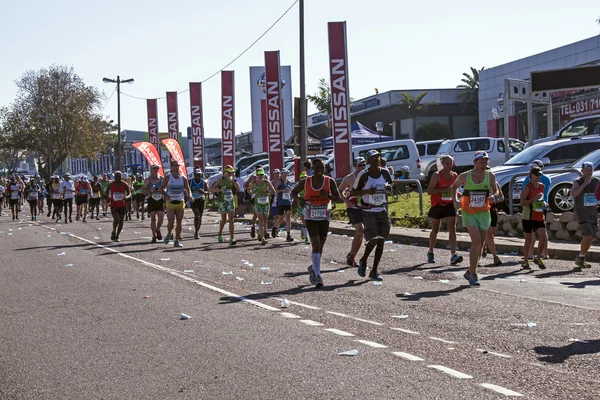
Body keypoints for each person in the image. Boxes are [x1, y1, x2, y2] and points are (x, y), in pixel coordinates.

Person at [451, 151, 499, 286]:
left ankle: (470, 270)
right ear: (475, 162)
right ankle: (473, 274)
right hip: (469, 212)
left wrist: (493, 196)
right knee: (476, 242)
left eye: (486, 162)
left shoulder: (490, 176)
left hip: (484, 212)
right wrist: (455, 200)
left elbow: (495, 190)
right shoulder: (465, 176)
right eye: (481, 162)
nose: (484, 165)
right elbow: (454, 187)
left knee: (481, 245)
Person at [292, 159, 342, 287]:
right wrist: (299, 200)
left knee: (321, 246)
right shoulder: (305, 181)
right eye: (317, 167)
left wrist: (329, 196)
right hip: (310, 216)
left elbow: (339, 199)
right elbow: (293, 192)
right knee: (315, 244)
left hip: (324, 217)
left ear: (324, 168)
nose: (319, 169)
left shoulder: (329, 181)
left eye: (322, 167)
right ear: (312, 169)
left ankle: (314, 268)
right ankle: (318, 276)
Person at [351, 150, 394, 281]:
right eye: (373, 158)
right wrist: (367, 191)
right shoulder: (364, 175)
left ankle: (374, 271)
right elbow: (353, 191)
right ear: (368, 161)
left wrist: (389, 188)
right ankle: (364, 260)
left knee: (381, 241)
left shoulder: (385, 172)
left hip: (382, 210)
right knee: (374, 239)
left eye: (378, 157)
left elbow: (391, 187)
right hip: (369, 211)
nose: (376, 160)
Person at [427, 155, 463, 265]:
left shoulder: (454, 175)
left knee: (452, 229)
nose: (449, 166)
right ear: (442, 164)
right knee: (435, 229)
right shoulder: (437, 175)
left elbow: (454, 190)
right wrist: (444, 190)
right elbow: (429, 191)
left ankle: (453, 254)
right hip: (437, 204)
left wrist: (459, 195)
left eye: (450, 163)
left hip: (449, 204)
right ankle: (431, 251)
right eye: (447, 164)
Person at [338, 157, 366, 267]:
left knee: (361, 234)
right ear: (355, 166)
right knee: (360, 231)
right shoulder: (349, 178)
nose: (362, 167)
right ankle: (351, 255)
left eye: (364, 165)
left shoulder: (367, 176)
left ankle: (352, 256)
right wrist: (346, 201)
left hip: (364, 207)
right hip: (353, 208)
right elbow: (339, 190)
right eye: (360, 165)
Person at [521, 159, 551, 259]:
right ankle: (527, 258)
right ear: (531, 175)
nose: (538, 176)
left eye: (539, 174)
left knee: (542, 235)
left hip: (539, 213)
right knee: (529, 238)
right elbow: (522, 202)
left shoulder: (542, 184)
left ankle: (538, 257)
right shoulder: (527, 185)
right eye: (536, 174)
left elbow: (542, 197)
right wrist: (534, 199)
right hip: (528, 214)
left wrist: (544, 203)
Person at [160, 161, 194, 248]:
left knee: (179, 222)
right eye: (174, 165)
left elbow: (187, 189)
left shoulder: (183, 178)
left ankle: (177, 240)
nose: (176, 167)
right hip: (170, 202)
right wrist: (166, 196)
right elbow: (161, 189)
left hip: (180, 201)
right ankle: (169, 233)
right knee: (171, 222)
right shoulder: (168, 177)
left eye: (177, 165)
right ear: (171, 167)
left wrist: (190, 196)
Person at [572, 161, 599, 269]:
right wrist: (584, 184)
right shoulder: (577, 181)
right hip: (581, 211)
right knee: (588, 233)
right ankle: (581, 257)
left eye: (590, 171)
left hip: (592, 211)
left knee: (591, 235)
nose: (588, 173)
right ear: (582, 171)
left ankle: (581, 257)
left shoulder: (597, 181)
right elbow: (574, 193)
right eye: (586, 170)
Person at [211, 165, 240, 245]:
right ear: (225, 172)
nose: (230, 174)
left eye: (232, 173)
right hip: (223, 201)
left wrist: (234, 180)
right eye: (229, 173)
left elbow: (238, 187)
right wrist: (220, 190)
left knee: (231, 219)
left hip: (230, 200)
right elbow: (212, 189)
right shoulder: (220, 179)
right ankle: (220, 233)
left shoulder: (232, 179)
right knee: (224, 220)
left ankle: (232, 237)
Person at [248, 168, 277, 245]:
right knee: (260, 220)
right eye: (259, 174)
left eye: (261, 174)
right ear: (256, 175)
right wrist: (252, 192)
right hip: (258, 203)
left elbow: (273, 191)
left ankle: (260, 233)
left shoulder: (267, 182)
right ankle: (263, 238)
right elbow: (248, 190)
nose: (260, 176)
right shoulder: (253, 183)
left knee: (264, 221)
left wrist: (267, 191)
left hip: (265, 203)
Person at [482, 182, 504, 266]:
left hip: (493, 211)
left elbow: (502, 198)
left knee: (492, 234)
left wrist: (495, 199)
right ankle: (495, 257)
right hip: (483, 211)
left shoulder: (495, 184)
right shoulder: (479, 183)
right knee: (489, 234)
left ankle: (485, 246)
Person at [142, 164, 165, 244]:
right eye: (154, 168)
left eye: (157, 168)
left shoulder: (162, 179)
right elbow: (143, 191)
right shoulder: (148, 180)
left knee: (161, 218)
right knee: (153, 219)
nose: (156, 170)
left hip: (160, 200)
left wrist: (161, 190)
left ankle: (157, 228)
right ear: (151, 169)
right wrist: (149, 190)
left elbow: (166, 189)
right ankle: (153, 236)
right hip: (151, 200)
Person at [107, 171, 130, 242]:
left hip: (122, 204)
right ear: (114, 177)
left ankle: (117, 235)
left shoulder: (124, 184)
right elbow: (106, 192)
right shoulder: (111, 184)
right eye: (116, 176)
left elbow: (130, 194)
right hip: (114, 205)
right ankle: (114, 231)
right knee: (116, 219)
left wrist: (126, 197)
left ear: (121, 177)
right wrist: (108, 197)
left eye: (119, 176)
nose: (118, 178)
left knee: (121, 220)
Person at [273, 169, 294, 242]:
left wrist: (291, 196)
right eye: (284, 174)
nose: (286, 175)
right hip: (281, 202)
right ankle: (275, 227)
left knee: (288, 218)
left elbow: (290, 191)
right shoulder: (279, 181)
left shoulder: (288, 182)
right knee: (281, 219)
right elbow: (275, 190)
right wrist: (282, 190)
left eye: (287, 174)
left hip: (288, 201)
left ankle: (288, 235)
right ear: (281, 174)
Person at [189, 169, 208, 239]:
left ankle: (196, 232)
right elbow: (187, 190)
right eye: (197, 175)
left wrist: (203, 192)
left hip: (201, 200)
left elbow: (207, 191)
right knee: (197, 215)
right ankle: (196, 232)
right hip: (193, 200)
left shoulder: (203, 182)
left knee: (200, 216)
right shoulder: (191, 181)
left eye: (199, 175)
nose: (198, 176)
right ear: (194, 175)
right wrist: (192, 190)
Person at [244, 172, 258, 238]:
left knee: (263, 215)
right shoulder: (252, 177)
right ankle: (253, 227)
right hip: (254, 197)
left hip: (262, 197)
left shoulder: (265, 178)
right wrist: (251, 191)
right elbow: (245, 186)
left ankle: (263, 230)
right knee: (256, 214)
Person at [269, 169, 281, 238]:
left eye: (278, 173)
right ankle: (276, 231)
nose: (277, 175)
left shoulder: (281, 182)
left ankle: (276, 229)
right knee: (276, 217)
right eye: (276, 173)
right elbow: (269, 191)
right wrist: (273, 191)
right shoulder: (271, 183)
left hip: (280, 202)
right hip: (274, 202)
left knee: (280, 217)